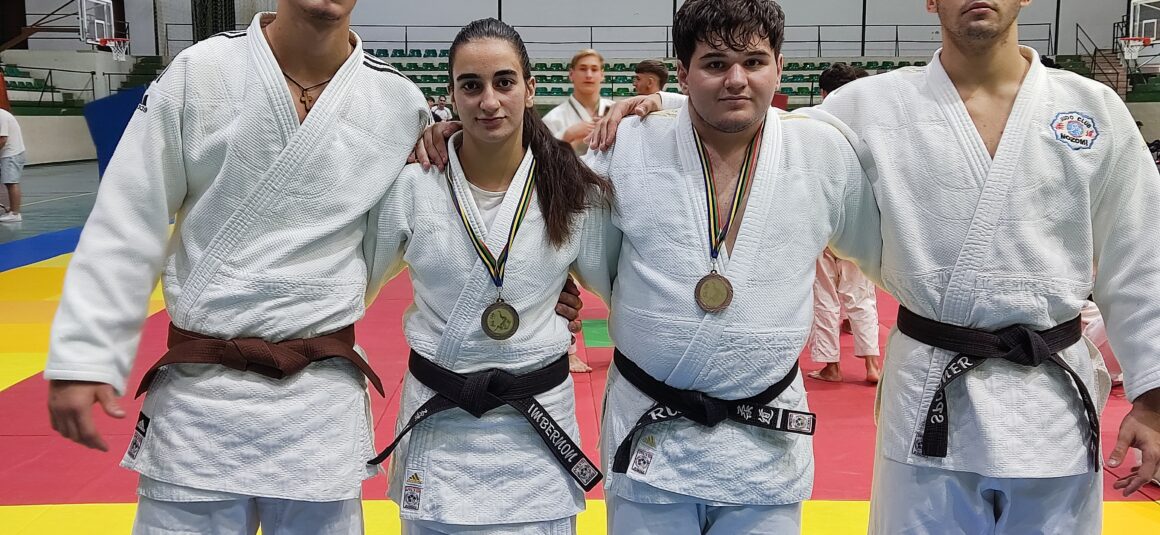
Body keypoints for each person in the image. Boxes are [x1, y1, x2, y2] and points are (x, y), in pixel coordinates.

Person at [593, 0, 1160, 531]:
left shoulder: (1091, 108)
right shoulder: (873, 104)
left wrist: (1152, 397)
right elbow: (765, 125)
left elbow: (1142, 255)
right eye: (714, 64)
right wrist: (664, 107)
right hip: (933, 390)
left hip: (1051, 400)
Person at [417, 1, 881, 532]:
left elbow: (884, 252)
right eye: (713, 64)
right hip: (652, 437)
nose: (736, 80)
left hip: (765, 443)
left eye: (754, 62)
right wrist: (456, 137)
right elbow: (563, 235)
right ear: (683, 73)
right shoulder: (627, 143)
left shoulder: (823, 151)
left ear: (779, 65)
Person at [43, 2, 431, 533]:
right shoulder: (201, 72)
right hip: (200, 397)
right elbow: (128, 215)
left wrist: (548, 293)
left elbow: (410, 233)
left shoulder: (398, 102)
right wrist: (84, 355)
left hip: (317, 403)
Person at [364, 19, 616, 533]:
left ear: (530, 88)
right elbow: (351, 288)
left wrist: (662, 102)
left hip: (537, 428)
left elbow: (623, 290)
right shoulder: (413, 185)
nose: (489, 101)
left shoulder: (573, 191)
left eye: (504, 82)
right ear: (451, 94)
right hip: (441, 421)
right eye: (471, 85)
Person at [806, 62, 880, 383]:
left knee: (823, 292)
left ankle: (830, 366)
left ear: (823, 92)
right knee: (860, 294)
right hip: (860, 219)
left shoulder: (809, 122)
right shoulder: (871, 125)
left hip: (822, 217)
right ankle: (872, 365)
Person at [541, 48, 614, 156]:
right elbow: (541, 158)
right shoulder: (552, 119)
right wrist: (566, 136)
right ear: (571, 74)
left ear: (602, 75)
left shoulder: (616, 111)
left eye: (594, 69)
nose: (589, 75)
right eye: (583, 69)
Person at [0, 106, 26, 223]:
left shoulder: (1, 116)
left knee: (11, 182)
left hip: (11, 153)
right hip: (10, 153)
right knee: (9, 181)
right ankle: (13, 209)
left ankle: (15, 214)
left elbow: (3, 139)